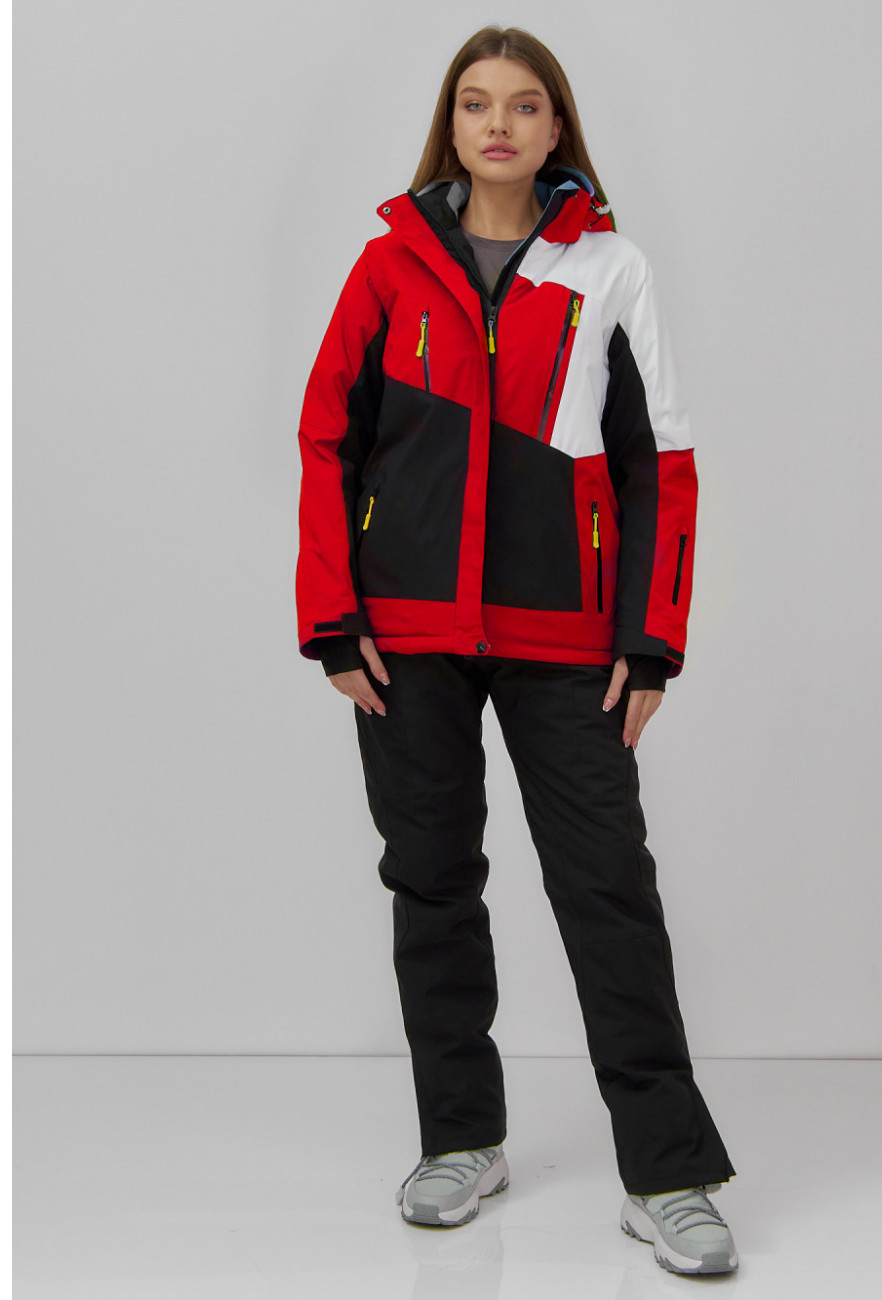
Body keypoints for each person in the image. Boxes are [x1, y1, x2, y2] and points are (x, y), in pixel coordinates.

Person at [295, 24, 739, 1277]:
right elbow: (326, 439)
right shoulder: (387, 267)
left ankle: (668, 1169)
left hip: (566, 633)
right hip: (407, 634)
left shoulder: (609, 267)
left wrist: (650, 640)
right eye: (476, 103)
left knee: (608, 887)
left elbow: (660, 464)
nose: (499, 124)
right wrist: (333, 619)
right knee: (431, 881)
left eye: (524, 104)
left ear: (556, 128)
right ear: (451, 124)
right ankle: (460, 1137)